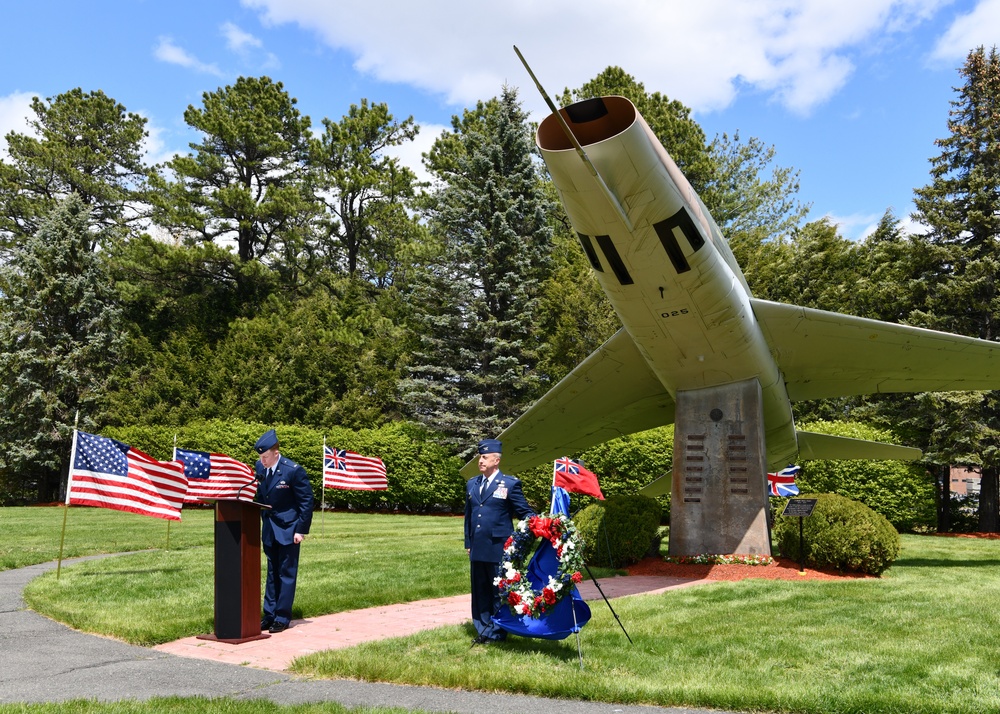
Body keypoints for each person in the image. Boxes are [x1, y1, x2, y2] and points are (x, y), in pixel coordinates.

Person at [464, 438, 534, 645]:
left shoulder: (510, 484)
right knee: (480, 591)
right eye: (480, 456)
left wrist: (542, 525)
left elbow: (525, 513)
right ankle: (483, 629)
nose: (480, 460)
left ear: (497, 460)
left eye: (485, 457)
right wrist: (468, 543)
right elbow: (469, 516)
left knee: (498, 591)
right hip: (478, 547)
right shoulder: (472, 483)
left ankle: (498, 631)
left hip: (499, 547)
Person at [254, 428, 314, 634]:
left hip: (289, 529)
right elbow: (260, 497)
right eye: (260, 457)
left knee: (286, 573)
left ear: (276, 454)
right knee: (272, 572)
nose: (262, 461)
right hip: (270, 529)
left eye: (265, 457)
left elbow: (306, 503)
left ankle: (282, 616)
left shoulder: (293, 470)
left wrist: (301, 530)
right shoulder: (260, 468)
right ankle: (269, 614)